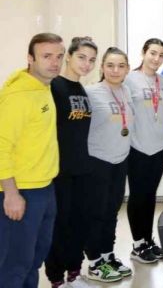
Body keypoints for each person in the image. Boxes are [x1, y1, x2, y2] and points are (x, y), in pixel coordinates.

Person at [0, 33, 64, 288]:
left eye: (59, 56)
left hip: (44, 186)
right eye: (46, 56)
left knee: (34, 258)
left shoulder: (43, 87)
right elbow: (1, 145)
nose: (54, 62)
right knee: (15, 264)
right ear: (30, 58)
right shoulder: (19, 96)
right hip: (21, 190)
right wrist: (11, 193)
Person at [44, 36, 97, 288]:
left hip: (83, 169)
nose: (87, 64)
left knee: (80, 222)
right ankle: (56, 278)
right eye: (82, 57)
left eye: (92, 60)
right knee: (59, 225)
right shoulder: (54, 86)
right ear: (69, 56)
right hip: (60, 171)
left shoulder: (82, 89)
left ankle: (74, 273)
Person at [84, 47, 134, 282]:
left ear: (127, 69)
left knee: (112, 211)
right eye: (110, 65)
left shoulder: (126, 91)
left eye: (121, 66)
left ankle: (107, 255)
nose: (116, 70)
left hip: (120, 160)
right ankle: (94, 262)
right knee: (97, 212)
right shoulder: (90, 92)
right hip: (98, 161)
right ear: (102, 67)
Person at [124, 39, 163, 264]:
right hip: (137, 147)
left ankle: (147, 239)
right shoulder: (129, 79)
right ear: (143, 53)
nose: (157, 59)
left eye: (161, 55)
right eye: (153, 53)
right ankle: (137, 245)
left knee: (150, 196)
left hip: (159, 147)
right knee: (138, 196)